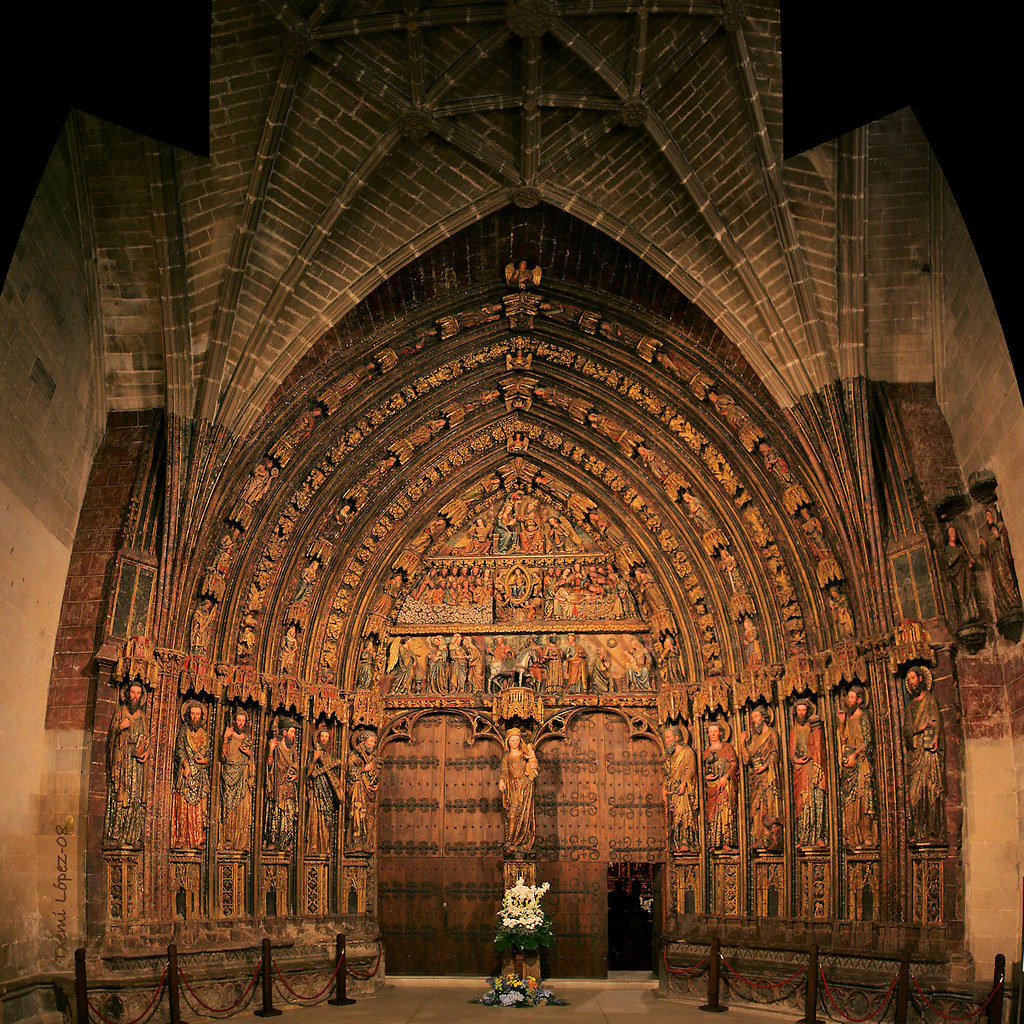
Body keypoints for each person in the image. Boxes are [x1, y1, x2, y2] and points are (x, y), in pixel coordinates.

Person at [103, 682, 150, 847]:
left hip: (136, 765)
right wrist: (119, 727)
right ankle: (115, 835)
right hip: (121, 761)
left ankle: (132, 836)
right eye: (132, 692)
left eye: (138, 693)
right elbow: (110, 738)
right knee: (119, 797)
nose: (135, 696)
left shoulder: (143, 718)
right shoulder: (119, 713)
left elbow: (147, 740)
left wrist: (146, 752)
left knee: (134, 798)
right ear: (127, 694)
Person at [904, 668, 945, 842]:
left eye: (912, 678)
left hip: (928, 753)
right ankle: (917, 831)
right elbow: (905, 730)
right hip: (915, 754)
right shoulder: (910, 707)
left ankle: (932, 831)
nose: (910, 682)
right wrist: (917, 729)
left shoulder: (930, 701)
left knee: (930, 789)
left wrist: (935, 737)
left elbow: (937, 723)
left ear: (920, 678)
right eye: (908, 679)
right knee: (914, 793)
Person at [836, 685, 877, 848]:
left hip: (861, 765)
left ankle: (866, 833)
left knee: (863, 798)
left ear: (859, 700)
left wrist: (855, 755)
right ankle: (850, 835)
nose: (848, 701)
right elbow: (843, 740)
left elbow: (867, 742)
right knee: (849, 802)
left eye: (851, 698)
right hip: (848, 767)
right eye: (848, 697)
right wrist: (841, 723)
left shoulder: (863, 717)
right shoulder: (848, 719)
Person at [739, 706, 783, 851]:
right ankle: (759, 838)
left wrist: (765, 766)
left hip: (768, 776)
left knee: (769, 805)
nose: (754, 721)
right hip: (756, 779)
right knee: (757, 808)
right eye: (752, 719)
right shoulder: (755, 738)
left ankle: (770, 839)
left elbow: (775, 753)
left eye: (756, 717)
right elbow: (747, 760)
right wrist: (742, 743)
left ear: (764, 717)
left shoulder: (772, 734)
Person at [170, 700, 211, 849]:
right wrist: (186, 764)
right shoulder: (183, 731)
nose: (195, 717)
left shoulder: (205, 735)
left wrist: (205, 760)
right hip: (186, 775)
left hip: (200, 776)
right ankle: (181, 838)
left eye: (198, 714)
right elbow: (179, 750)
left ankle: (198, 838)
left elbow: (209, 754)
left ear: (201, 717)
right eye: (193, 714)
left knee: (200, 807)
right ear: (188, 715)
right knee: (183, 805)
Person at [789, 698, 827, 847]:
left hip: (812, 767)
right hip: (800, 769)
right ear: (796, 712)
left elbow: (818, 748)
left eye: (804, 710)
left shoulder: (812, 729)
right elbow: (792, 753)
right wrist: (796, 761)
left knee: (816, 800)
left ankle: (818, 835)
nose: (802, 713)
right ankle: (803, 837)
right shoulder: (794, 731)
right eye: (799, 710)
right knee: (802, 804)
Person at [498, 728, 539, 854]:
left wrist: (532, 768)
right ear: (508, 742)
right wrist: (501, 780)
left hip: (525, 786)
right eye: (512, 740)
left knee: (524, 813)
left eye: (517, 740)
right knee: (512, 813)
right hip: (512, 787)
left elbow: (533, 763)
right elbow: (504, 770)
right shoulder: (507, 756)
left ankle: (524, 841)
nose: (515, 743)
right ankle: (510, 841)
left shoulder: (524, 753)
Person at [220, 706, 254, 851]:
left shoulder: (248, 740)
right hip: (229, 778)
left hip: (242, 778)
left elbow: (252, 763)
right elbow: (222, 757)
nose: (241, 723)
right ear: (234, 721)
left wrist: (249, 754)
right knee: (228, 808)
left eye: (243, 721)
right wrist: (225, 739)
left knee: (244, 809)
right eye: (239, 720)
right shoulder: (229, 736)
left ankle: (243, 841)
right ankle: (228, 839)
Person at [306, 724, 343, 855]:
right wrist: (315, 759)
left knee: (327, 819)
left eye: (327, 737)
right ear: (317, 738)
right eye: (322, 736)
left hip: (328, 792)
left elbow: (334, 776)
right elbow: (308, 773)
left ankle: (325, 845)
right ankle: (314, 845)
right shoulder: (313, 755)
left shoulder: (330, 758)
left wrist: (339, 789)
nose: (324, 739)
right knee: (315, 817)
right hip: (316, 792)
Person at [703, 721, 739, 851]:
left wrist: (725, 777)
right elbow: (703, 769)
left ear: (720, 733)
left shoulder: (727, 748)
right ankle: (714, 841)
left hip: (725, 785)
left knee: (725, 809)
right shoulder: (706, 752)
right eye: (710, 732)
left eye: (715, 731)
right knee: (712, 812)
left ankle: (726, 841)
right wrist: (706, 776)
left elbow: (734, 764)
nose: (713, 734)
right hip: (711, 786)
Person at [265, 718, 300, 850]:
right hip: (277, 787)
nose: (293, 735)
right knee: (275, 814)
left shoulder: (293, 751)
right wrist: (270, 750)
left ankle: (286, 842)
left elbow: (298, 769)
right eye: (291, 732)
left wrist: (296, 776)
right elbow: (269, 766)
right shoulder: (277, 747)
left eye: (294, 733)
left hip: (290, 789)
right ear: (284, 732)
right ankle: (273, 840)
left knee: (289, 816)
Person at [663, 724, 698, 852]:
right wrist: (664, 788)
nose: (666, 741)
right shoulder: (670, 755)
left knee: (683, 815)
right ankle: (675, 842)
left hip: (683, 790)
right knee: (672, 818)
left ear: (677, 737)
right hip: (672, 790)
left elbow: (691, 769)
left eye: (668, 737)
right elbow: (667, 773)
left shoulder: (687, 752)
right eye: (666, 738)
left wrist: (684, 784)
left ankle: (686, 841)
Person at [346, 731, 380, 854]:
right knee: (357, 815)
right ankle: (355, 843)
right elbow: (349, 774)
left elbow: (375, 775)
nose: (373, 744)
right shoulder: (354, 756)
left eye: (374, 742)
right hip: (357, 790)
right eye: (370, 741)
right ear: (363, 742)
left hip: (369, 793)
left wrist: (376, 784)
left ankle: (367, 842)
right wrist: (364, 769)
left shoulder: (373, 758)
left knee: (369, 817)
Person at [943, 524, 980, 626]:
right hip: (957, 577)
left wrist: (970, 564)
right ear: (948, 536)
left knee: (969, 592)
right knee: (961, 596)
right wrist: (958, 555)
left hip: (965, 575)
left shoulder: (960, 548)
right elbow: (949, 563)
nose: (953, 534)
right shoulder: (948, 549)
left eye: (954, 532)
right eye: (951, 532)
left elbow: (966, 563)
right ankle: (965, 617)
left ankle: (973, 614)